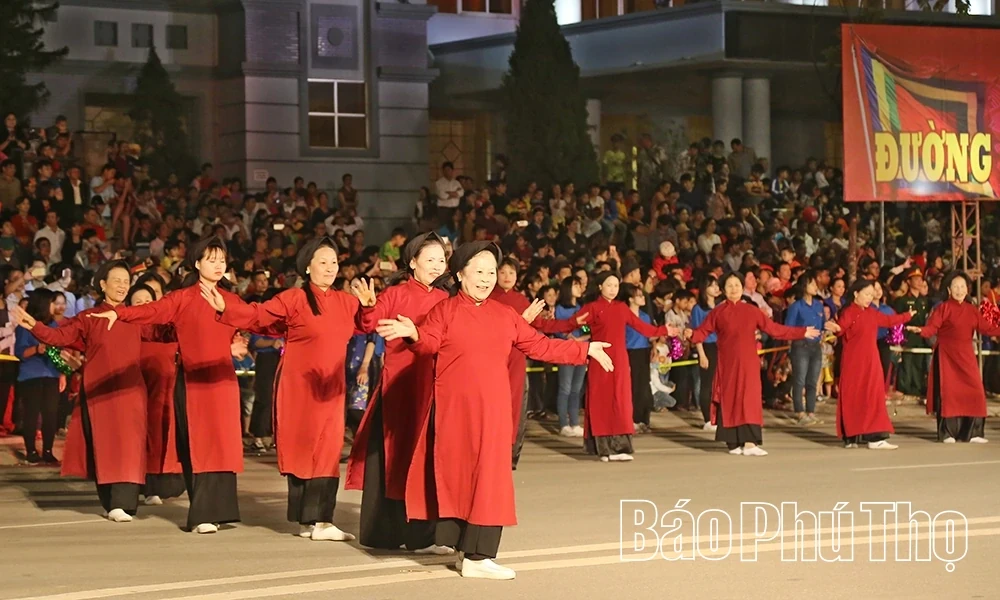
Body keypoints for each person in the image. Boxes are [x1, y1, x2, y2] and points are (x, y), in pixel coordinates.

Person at [375, 241, 614, 580]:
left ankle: (478, 555)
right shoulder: (445, 311)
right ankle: (462, 549)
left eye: (491, 272)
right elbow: (427, 341)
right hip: (455, 412)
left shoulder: (504, 316)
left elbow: (540, 346)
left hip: (494, 412)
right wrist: (413, 332)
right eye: (479, 272)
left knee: (490, 479)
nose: (487, 279)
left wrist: (584, 349)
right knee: (458, 476)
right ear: (459, 275)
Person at [201, 237, 360, 541]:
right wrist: (227, 309)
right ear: (307, 267)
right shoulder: (294, 298)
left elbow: (366, 322)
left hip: (331, 388)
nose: (330, 267)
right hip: (298, 387)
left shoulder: (346, 301)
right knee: (302, 449)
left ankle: (322, 520)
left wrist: (367, 305)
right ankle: (307, 520)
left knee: (327, 450)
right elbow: (258, 314)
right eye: (323, 262)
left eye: (334, 262)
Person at [88, 237, 247, 534]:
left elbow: (256, 317)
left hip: (224, 382)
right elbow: (150, 311)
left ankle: (221, 511)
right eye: (211, 259)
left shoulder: (231, 299)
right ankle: (202, 515)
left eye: (222, 260)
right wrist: (119, 312)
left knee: (223, 446)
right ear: (197, 264)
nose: (218, 265)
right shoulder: (182, 298)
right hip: (193, 382)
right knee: (199, 446)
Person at [13, 262, 148, 521]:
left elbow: (164, 334)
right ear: (103, 285)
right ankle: (113, 503)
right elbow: (59, 336)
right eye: (116, 280)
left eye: (125, 281)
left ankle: (125, 502)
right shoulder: (89, 318)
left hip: (132, 391)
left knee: (130, 446)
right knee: (108, 446)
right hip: (101, 392)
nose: (122, 285)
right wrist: (34, 326)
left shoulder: (136, 317)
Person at [345, 232, 451, 553]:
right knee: (393, 459)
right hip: (398, 388)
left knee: (427, 459)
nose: (436, 266)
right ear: (412, 262)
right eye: (429, 259)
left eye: (441, 260)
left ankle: (424, 534)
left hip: (432, 388)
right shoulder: (396, 293)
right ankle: (387, 532)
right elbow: (369, 323)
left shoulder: (447, 300)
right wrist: (367, 307)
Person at [688, 272, 821, 456]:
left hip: (749, 362)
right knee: (730, 400)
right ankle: (733, 442)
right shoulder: (717, 313)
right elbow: (701, 333)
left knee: (749, 399)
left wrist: (802, 332)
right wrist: (688, 335)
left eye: (736, 285)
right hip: (727, 364)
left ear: (742, 288)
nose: (733, 289)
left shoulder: (752, 311)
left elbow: (775, 330)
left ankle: (750, 443)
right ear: (723, 290)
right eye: (729, 286)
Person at [489, 257, 585, 467]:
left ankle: (510, 451)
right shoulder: (487, 297)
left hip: (518, 358)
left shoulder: (522, 301)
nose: (507, 277)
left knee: (515, 405)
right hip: (493, 358)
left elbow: (544, 324)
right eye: (503, 272)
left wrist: (575, 326)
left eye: (511, 273)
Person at [577, 271, 679, 462]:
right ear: (600, 287)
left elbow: (642, 327)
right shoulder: (592, 307)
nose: (613, 289)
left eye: (616, 285)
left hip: (621, 360)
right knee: (601, 401)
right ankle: (604, 448)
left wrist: (664, 330)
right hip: (600, 358)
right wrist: (585, 329)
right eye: (609, 285)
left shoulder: (621, 308)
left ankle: (620, 445)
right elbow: (579, 325)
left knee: (621, 401)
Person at [909, 271, 1000, 443]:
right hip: (947, 356)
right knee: (949, 394)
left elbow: (987, 328)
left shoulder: (972, 310)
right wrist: (920, 330)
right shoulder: (943, 308)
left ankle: (974, 433)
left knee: (976, 392)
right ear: (949, 290)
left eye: (962, 286)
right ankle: (948, 433)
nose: (959, 290)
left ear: (967, 289)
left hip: (966, 356)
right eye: (956, 287)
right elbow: (932, 328)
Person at [831, 279, 914, 450]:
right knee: (853, 397)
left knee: (874, 397)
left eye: (871, 294)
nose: (870, 298)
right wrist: (833, 328)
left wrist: (907, 316)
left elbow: (889, 321)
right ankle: (852, 436)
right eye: (867, 294)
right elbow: (840, 329)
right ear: (856, 294)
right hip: (853, 362)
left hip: (871, 361)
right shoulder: (848, 313)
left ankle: (876, 437)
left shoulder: (872, 313)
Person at [128, 284, 186, 505]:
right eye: (138, 302)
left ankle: (167, 485)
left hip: (168, 393)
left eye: (147, 301)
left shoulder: (166, 329)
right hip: (142, 395)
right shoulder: (130, 330)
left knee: (169, 439)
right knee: (145, 441)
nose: (143, 305)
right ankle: (146, 487)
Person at [13, 289, 62, 465]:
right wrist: (36, 349)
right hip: (31, 376)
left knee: (51, 415)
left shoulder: (55, 326)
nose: (54, 306)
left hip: (51, 375)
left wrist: (62, 373)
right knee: (31, 415)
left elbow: (59, 352)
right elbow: (20, 352)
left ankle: (48, 450)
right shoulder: (25, 326)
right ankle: (31, 450)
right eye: (51, 302)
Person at [785, 270, 826, 425]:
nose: (816, 286)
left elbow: (822, 325)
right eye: (812, 283)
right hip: (800, 346)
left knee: (812, 380)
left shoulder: (818, 306)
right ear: (804, 286)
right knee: (799, 379)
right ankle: (800, 412)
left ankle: (811, 411)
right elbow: (788, 328)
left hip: (815, 346)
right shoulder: (796, 306)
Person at [690, 276, 721, 431]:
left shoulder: (721, 306)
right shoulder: (698, 309)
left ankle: (719, 416)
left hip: (721, 347)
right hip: (707, 347)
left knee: (720, 384)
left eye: (717, 285)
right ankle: (708, 418)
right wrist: (701, 354)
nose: (716, 288)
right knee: (707, 384)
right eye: (712, 285)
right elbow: (697, 333)